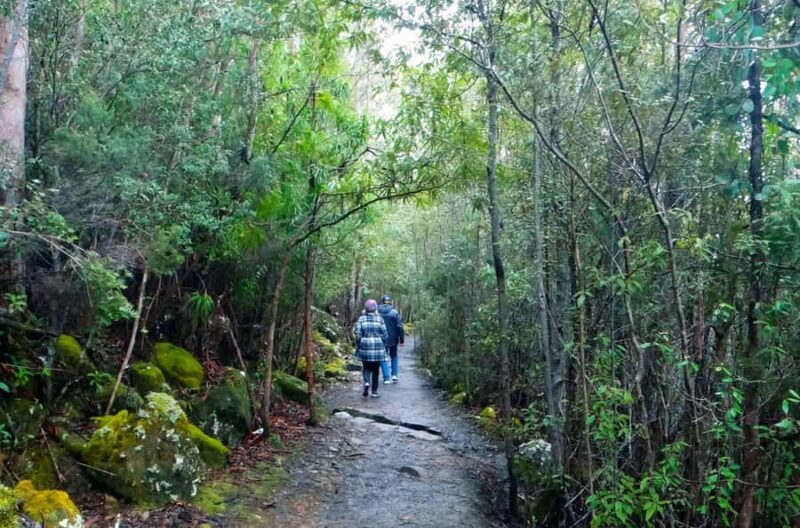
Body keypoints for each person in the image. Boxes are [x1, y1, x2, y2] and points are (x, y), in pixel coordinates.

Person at [354, 299, 389, 398]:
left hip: (365, 346)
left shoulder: (361, 319)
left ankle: (366, 383)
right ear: (375, 309)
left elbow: (357, 334)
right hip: (378, 347)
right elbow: (385, 334)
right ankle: (374, 392)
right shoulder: (380, 319)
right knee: (376, 370)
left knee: (366, 367)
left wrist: (359, 343)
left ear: (366, 308)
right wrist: (384, 344)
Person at [378, 294, 404, 384]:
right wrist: (401, 339)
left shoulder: (376, 312)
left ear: (381, 302)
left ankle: (386, 378)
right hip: (393, 339)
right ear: (390, 302)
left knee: (383, 357)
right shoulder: (395, 313)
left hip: (380, 339)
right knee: (394, 356)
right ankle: (394, 375)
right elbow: (399, 327)